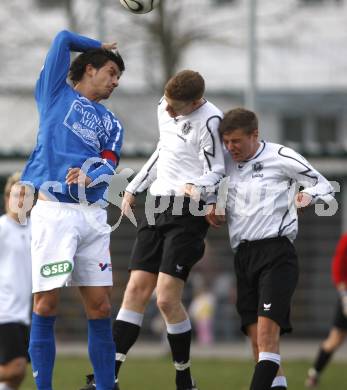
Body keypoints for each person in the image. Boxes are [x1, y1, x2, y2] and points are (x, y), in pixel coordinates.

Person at [81, 69, 225, 390]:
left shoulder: (212, 120)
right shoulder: (165, 105)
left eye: (177, 107)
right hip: (156, 205)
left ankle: (184, 377)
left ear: (196, 101)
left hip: (188, 212)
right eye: (168, 104)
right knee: (134, 291)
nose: (169, 111)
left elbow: (217, 169)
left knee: (165, 300)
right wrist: (133, 186)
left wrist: (204, 192)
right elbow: (162, 150)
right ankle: (107, 379)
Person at [20, 30, 125, 390]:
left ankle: (106, 387)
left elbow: (110, 163)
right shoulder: (55, 93)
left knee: (100, 308)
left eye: (118, 77)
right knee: (46, 305)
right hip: (55, 213)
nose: (115, 81)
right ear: (90, 69)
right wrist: (97, 45)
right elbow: (63, 38)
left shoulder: (113, 123)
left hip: (92, 215)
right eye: (111, 72)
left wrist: (92, 171)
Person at [207, 108, 335, 390]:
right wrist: (212, 206)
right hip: (243, 257)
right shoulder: (225, 164)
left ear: (255, 135)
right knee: (258, 343)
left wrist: (307, 195)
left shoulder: (280, 156)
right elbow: (217, 195)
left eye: (236, 141)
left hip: (276, 255)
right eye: (226, 142)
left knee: (266, 336)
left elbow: (324, 186)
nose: (230, 148)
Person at [0, 172, 32, 390]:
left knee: (16, 377)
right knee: (15, 368)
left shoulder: (35, 229)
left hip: (24, 313)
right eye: (16, 195)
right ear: (6, 198)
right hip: (4, 310)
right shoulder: (2, 228)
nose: (20, 200)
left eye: (25, 196)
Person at [305, 233, 347, 388]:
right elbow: (338, 270)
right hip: (346, 296)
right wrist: (344, 297)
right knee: (335, 339)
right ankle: (315, 373)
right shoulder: (346, 240)